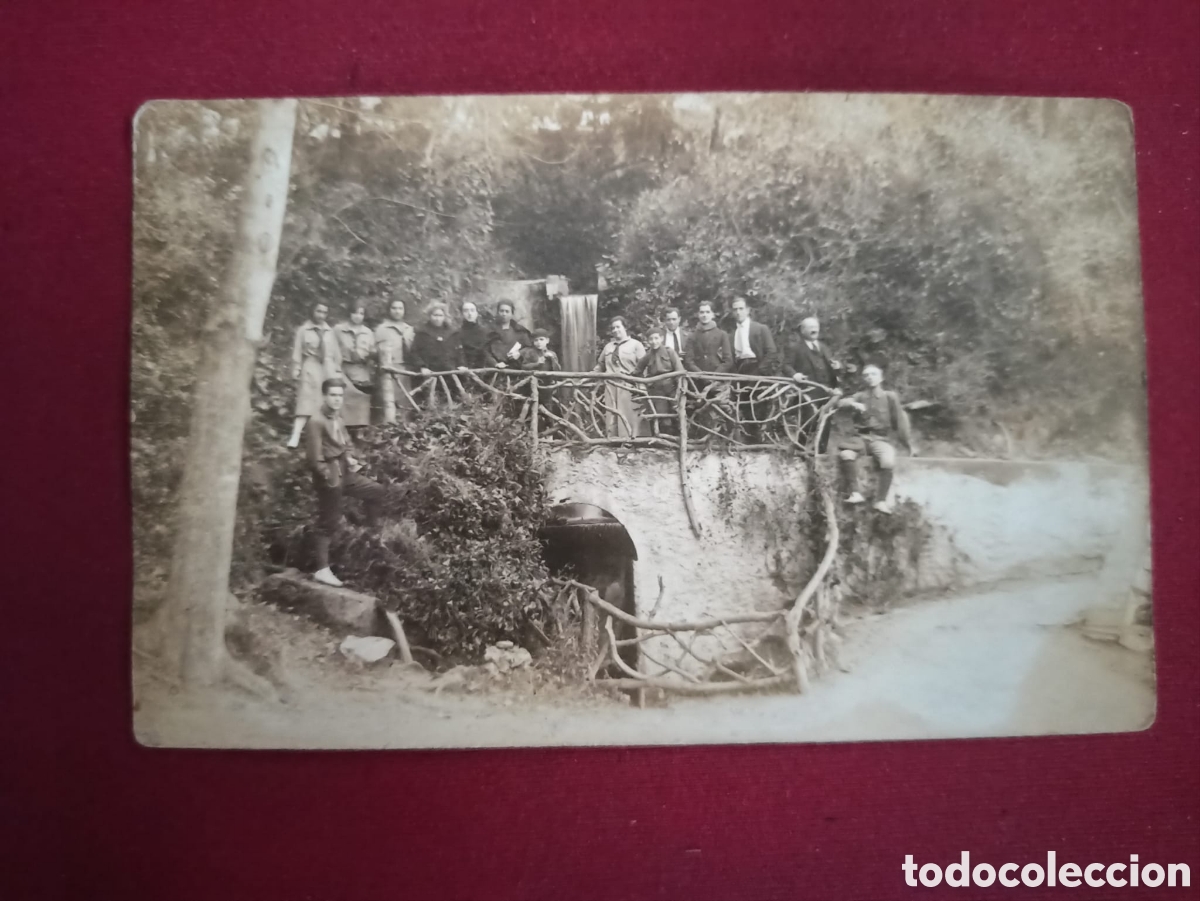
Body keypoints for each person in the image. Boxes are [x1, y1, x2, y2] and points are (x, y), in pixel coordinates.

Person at [305, 379, 386, 586]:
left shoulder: (337, 417)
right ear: (324, 396)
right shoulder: (316, 421)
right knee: (328, 522)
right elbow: (314, 459)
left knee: (377, 491)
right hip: (331, 473)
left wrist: (350, 457)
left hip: (345, 470)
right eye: (333, 395)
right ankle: (322, 569)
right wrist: (329, 478)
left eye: (340, 395)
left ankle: (372, 535)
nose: (337, 399)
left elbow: (346, 443)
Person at [836, 364, 918, 514]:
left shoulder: (889, 397)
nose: (870, 377)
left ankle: (880, 501)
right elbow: (840, 403)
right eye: (866, 375)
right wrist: (853, 403)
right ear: (863, 379)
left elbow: (899, 422)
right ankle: (855, 493)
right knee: (845, 454)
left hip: (880, 439)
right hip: (860, 439)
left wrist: (907, 444)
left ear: (881, 378)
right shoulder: (860, 396)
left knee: (888, 460)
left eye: (873, 374)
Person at [781, 316, 842, 453]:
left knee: (826, 421)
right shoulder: (795, 348)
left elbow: (832, 365)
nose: (814, 329)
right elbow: (786, 366)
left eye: (816, 327)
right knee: (808, 421)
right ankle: (800, 450)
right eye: (810, 327)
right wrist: (794, 375)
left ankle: (820, 452)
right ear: (802, 330)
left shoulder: (824, 347)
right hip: (808, 390)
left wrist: (837, 366)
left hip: (827, 389)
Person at [288, 301, 343, 448]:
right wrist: (296, 368)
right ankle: (295, 435)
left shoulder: (330, 331)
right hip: (311, 366)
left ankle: (332, 436)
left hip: (328, 367)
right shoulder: (303, 330)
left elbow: (336, 353)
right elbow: (297, 351)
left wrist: (337, 369)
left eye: (324, 312)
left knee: (330, 400)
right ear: (312, 311)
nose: (321, 315)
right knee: (305, 400)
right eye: (318, 311)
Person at [729, 296, 779, 443]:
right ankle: (749, 439)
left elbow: (771, 352)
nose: (738, 312)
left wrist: (759, 371)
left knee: (759, 403)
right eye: (735, 309)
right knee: (743, 404)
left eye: (741, 309)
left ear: (748, 310)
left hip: (757, 367)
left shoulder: (760, 329)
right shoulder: (732, 333)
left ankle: (761, 439)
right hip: (741, 369)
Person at [683, 301, 735, 438]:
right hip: (698, 381)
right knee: (698, 409)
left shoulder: (722, 334)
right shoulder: (692, 336)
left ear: (713, 314)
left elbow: (728, 360)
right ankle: (698, 439)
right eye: (702, 312)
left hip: (718, 381)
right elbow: (688, 360)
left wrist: (713, 377)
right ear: (698, 314)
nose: (704, 315)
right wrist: (701, 375)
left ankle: (726, 439)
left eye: (707, 312)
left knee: (723, 409)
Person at [593, 317, 647, 438]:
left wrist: (642, 386)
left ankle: (630, 441)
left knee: (628, 415)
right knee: (612, 414)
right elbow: (600, 365)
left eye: (618, 327)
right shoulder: (608, 347)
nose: (615, 330)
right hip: (610, 386)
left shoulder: (636, 345)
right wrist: (589, 376)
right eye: (613, 328)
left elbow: (644, 367)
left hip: (628, 386)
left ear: (625, 327)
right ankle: (613, 441)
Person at [634, 327, 684, 436]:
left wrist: (679, 389)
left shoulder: (669, 352)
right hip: (657, 390)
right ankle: (664, 440)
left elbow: (679, 370)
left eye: (656, 338)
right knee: (662, 417)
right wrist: (642, 383)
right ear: (648, 341)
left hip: (672, 388)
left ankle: (680, 438)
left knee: (679, 414)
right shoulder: (648, 355)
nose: (654, 341)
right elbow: (637, 371)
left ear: (661, 338)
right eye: (651, 339)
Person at [333, 303, 376, 430]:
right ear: (349, 313)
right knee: (342, 398)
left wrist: (369, 357)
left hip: (361, 370)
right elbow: (331, 348)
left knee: (361, 399)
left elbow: (372, 351)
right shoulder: (338, 330)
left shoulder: (367, 332)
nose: (358, 316)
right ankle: (341, 429)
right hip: (343, 369)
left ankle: (359, 430)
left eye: (361, 313)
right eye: (355, 313)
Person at [374, 297, 417, 423]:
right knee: (389, 402)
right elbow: (375, 351)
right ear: (389, 310)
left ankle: (405, 426)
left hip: (406, 370)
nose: (397, 311)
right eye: (394, 308)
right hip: (389, 370)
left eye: (400, 308)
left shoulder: (409, 329)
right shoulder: (382, 329)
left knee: (405, 401)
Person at [412, 303, 466, 403]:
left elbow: (459, 350)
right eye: (435, 315)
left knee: (451, 399)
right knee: (430, 400)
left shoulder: (452, 332)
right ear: (429, 316)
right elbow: (414, 351)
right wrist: (422, 366)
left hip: (449, 372)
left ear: (445, 316)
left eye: (440, 315)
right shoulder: (422, 332)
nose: (437, 319)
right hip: (430, 373)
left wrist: (461, 364)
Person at [519, 328, 563, 418]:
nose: (539, 342)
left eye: (541, 339)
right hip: (533, 385)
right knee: (532, 407)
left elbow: (558, 370)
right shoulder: (530, 352)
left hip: (547, 386)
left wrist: (552, 360)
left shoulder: (552, 354)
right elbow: (524, 367)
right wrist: (538, 364)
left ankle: (549, 423)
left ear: (547, 340)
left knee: (548, 408)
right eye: (536, 340)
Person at [485, 300, 533, 369]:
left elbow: (529, 348)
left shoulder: (520, 331)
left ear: (512, 314)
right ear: (498, 313)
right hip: (496, 369)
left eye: (507, 311)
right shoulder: (490, 331)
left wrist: (520, 353)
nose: (504, 314)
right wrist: (495, 363)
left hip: (517, 369)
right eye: (501, 311)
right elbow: (486, 351)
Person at [457, 300, 490, 369]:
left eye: (472, 310)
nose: (469, 313)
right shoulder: (457, 333)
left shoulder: (484, 332)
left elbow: (486, 353)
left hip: (481, 369)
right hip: (464, 369)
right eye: (466, 311)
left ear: (476, 313)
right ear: (462, 314)